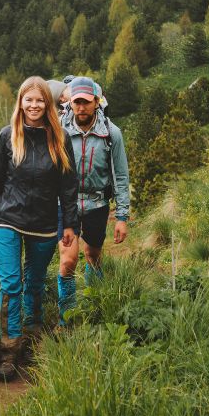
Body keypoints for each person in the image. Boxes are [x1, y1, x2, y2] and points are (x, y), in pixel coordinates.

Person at [0, 76, 78, 380]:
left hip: (45, 225)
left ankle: (33, 332)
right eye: (28, 100)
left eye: (39, 100)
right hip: (8, 219)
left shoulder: (59, 139)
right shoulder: (7, 136)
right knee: (11, 283)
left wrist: (70, 224)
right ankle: (9, 349)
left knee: (34, 282)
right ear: (20, 103)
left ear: (47, 104)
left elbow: (69, 186)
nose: (33, 105)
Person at [57, 76, 130, 323]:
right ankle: (67, 317)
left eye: (86, 102)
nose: (81, 107)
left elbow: (121, 175)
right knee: (67, 261)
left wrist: (121, 216)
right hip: (65, 204)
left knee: (93, 256)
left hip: (98, 204)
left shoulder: (111, 134)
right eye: (77, 102)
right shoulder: (59, 130)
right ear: (71, 102)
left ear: (96, 102)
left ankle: (95, 304)